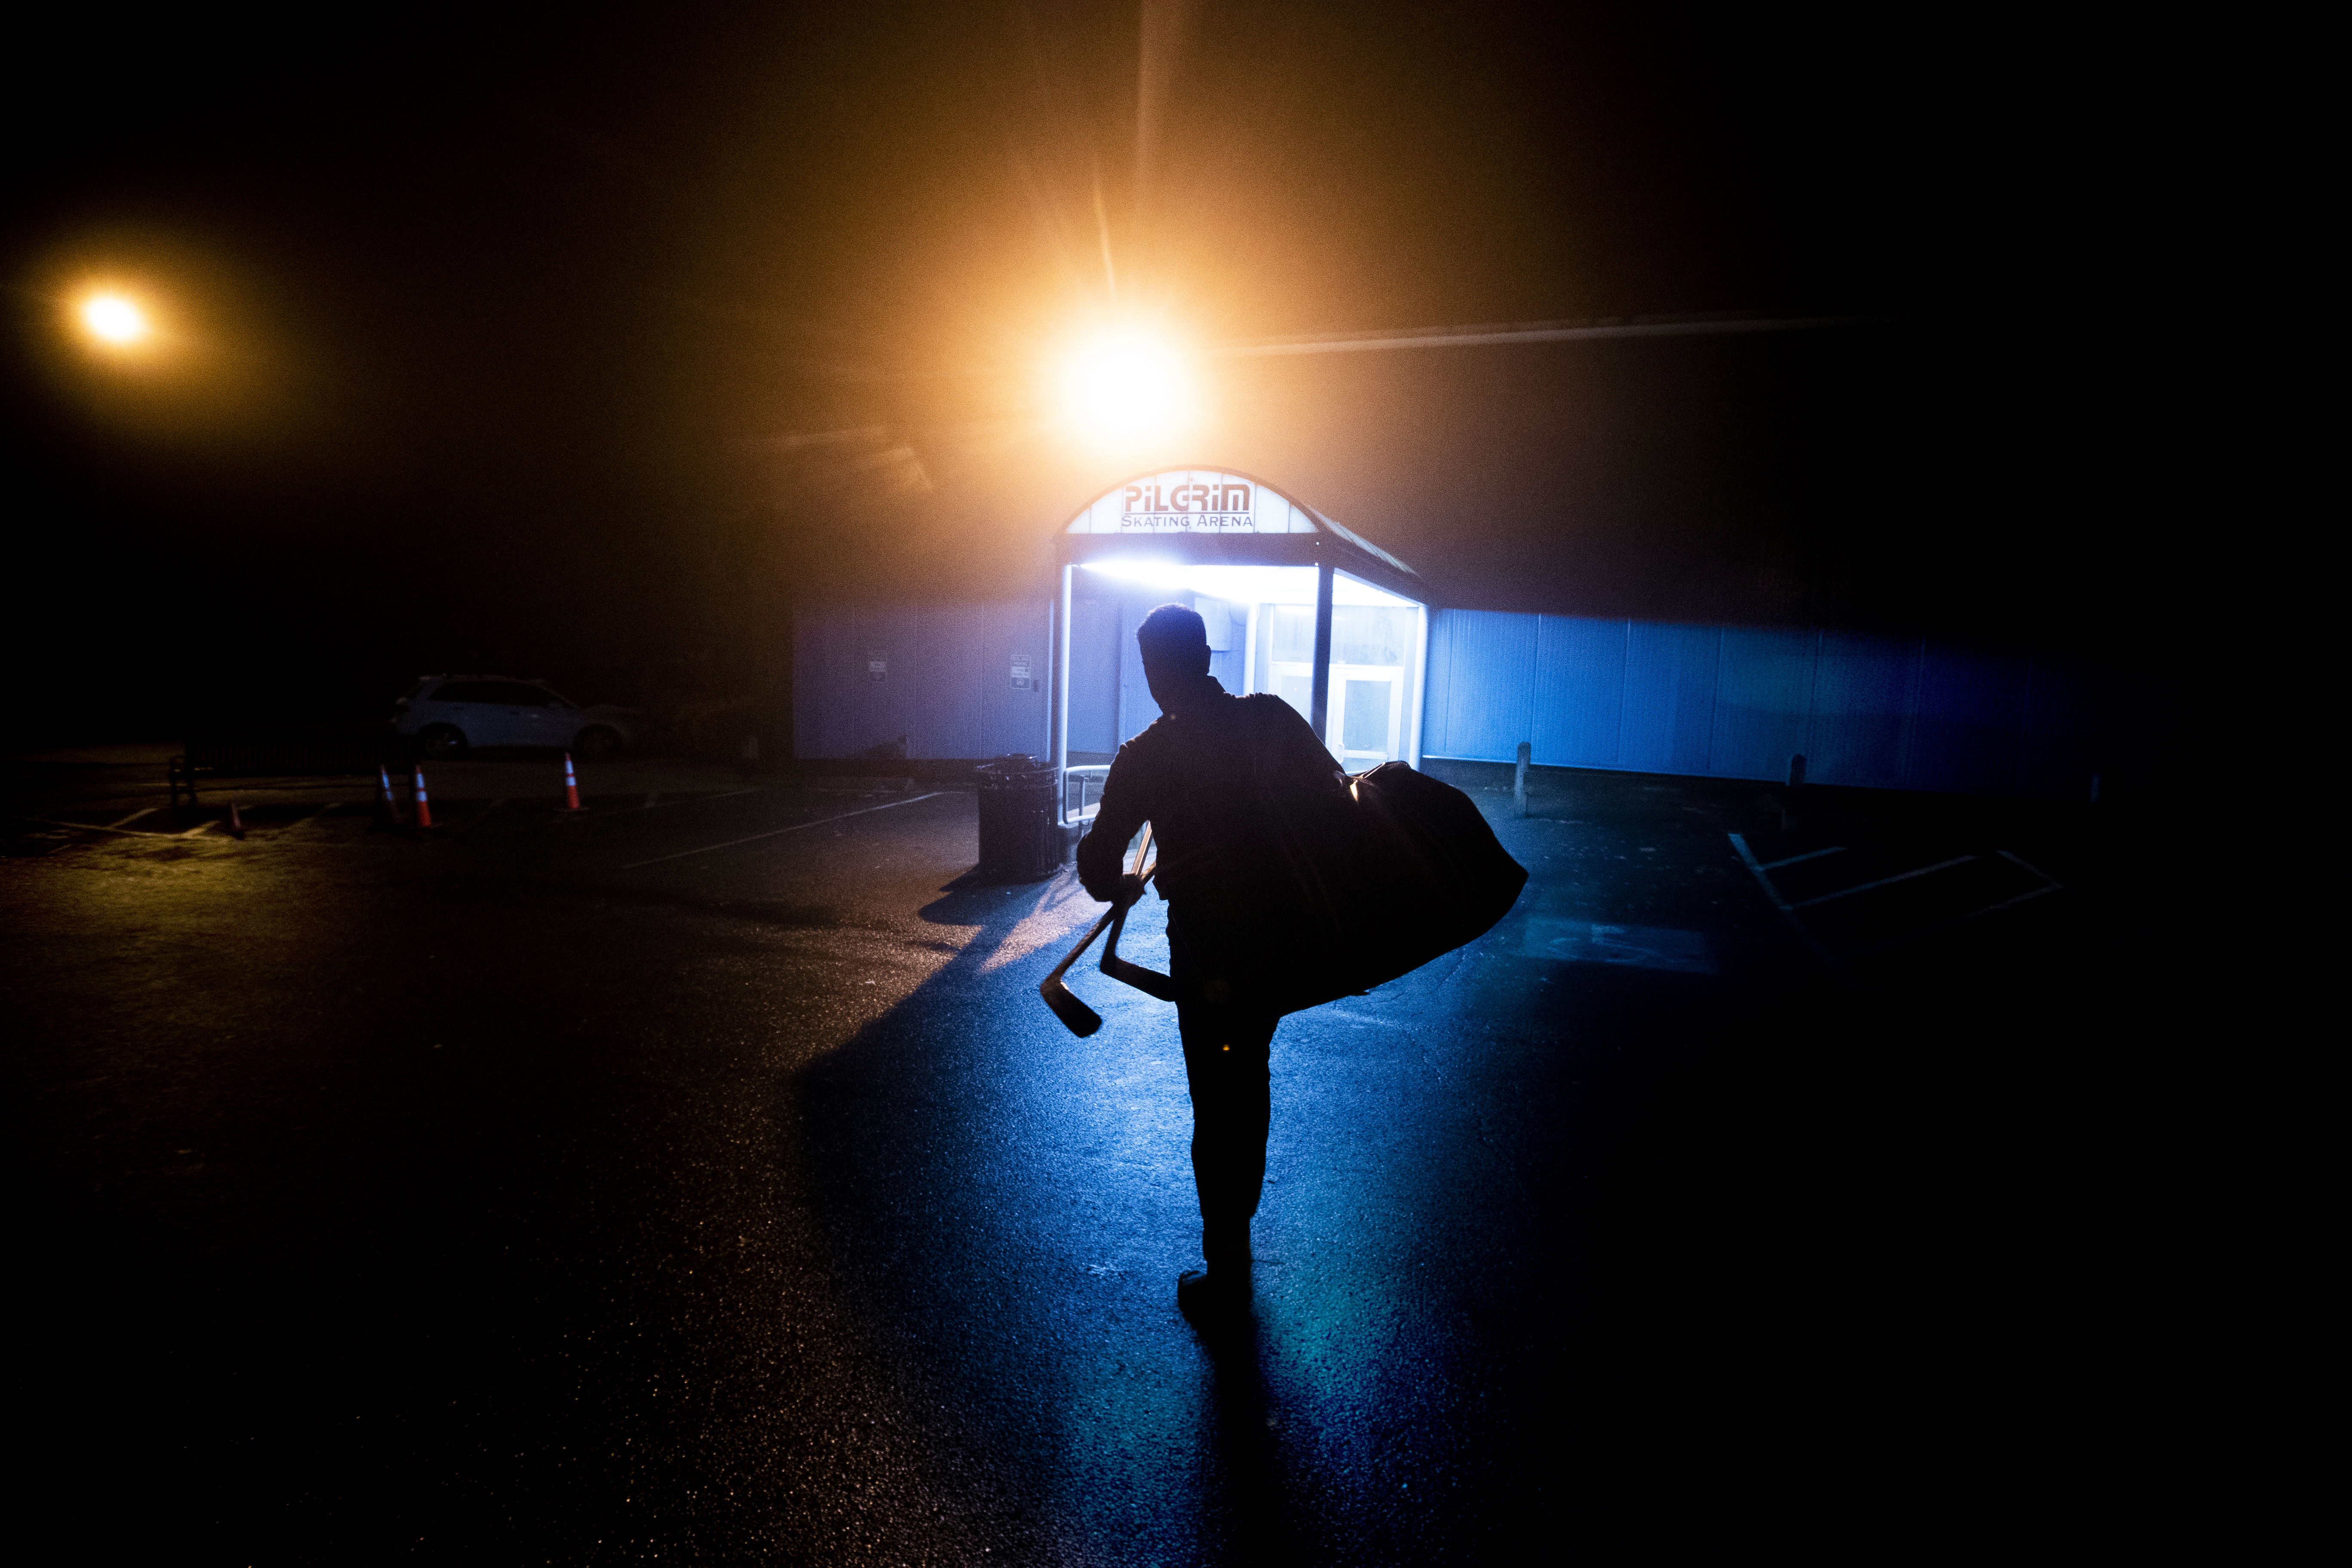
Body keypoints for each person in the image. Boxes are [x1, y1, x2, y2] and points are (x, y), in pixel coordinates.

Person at [1075, 603, 1358, 1320]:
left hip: (1208, 957)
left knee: (1216, 1102)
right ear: (1205, 659)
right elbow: (1337, 799)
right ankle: (1237, 1247)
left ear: (1159, 671)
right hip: (1275, 945)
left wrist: (1125, 885)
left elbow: (1096, 864)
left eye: (1151, 667)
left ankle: (1227, 1267)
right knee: (1249, 1086)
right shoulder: (1267, 718)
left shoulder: (1146, 756)